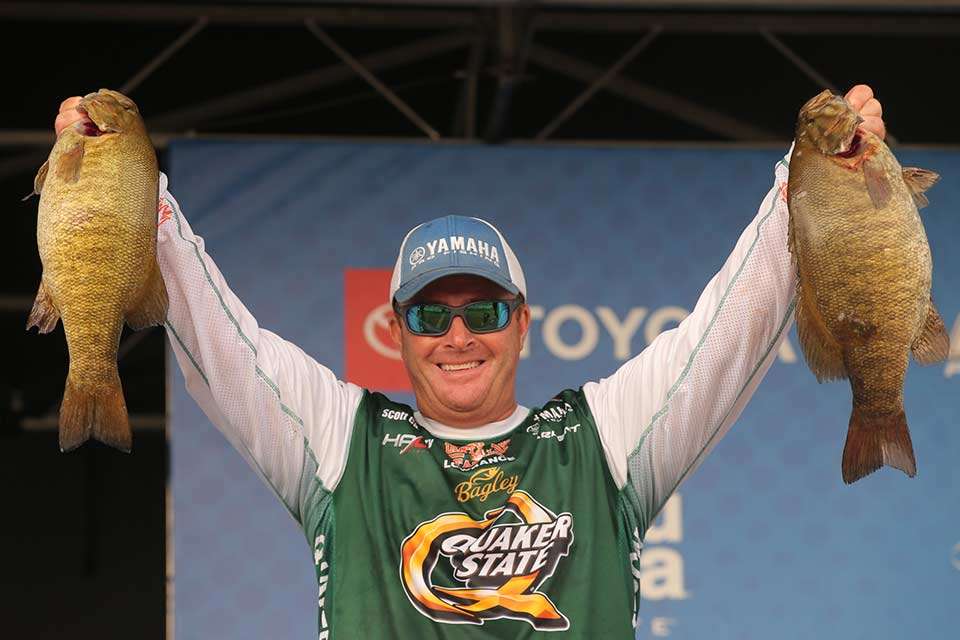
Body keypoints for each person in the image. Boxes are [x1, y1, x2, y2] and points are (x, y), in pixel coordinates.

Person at [55, 85, 885, 639]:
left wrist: (816, 171)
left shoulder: (603, 439)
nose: (458, 336)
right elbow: (215, 329)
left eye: (482, 311)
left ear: (521, 324)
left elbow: (731, 325)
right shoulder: (341, 441)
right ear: (396, 329)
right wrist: (120, 178)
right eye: (431, 313)